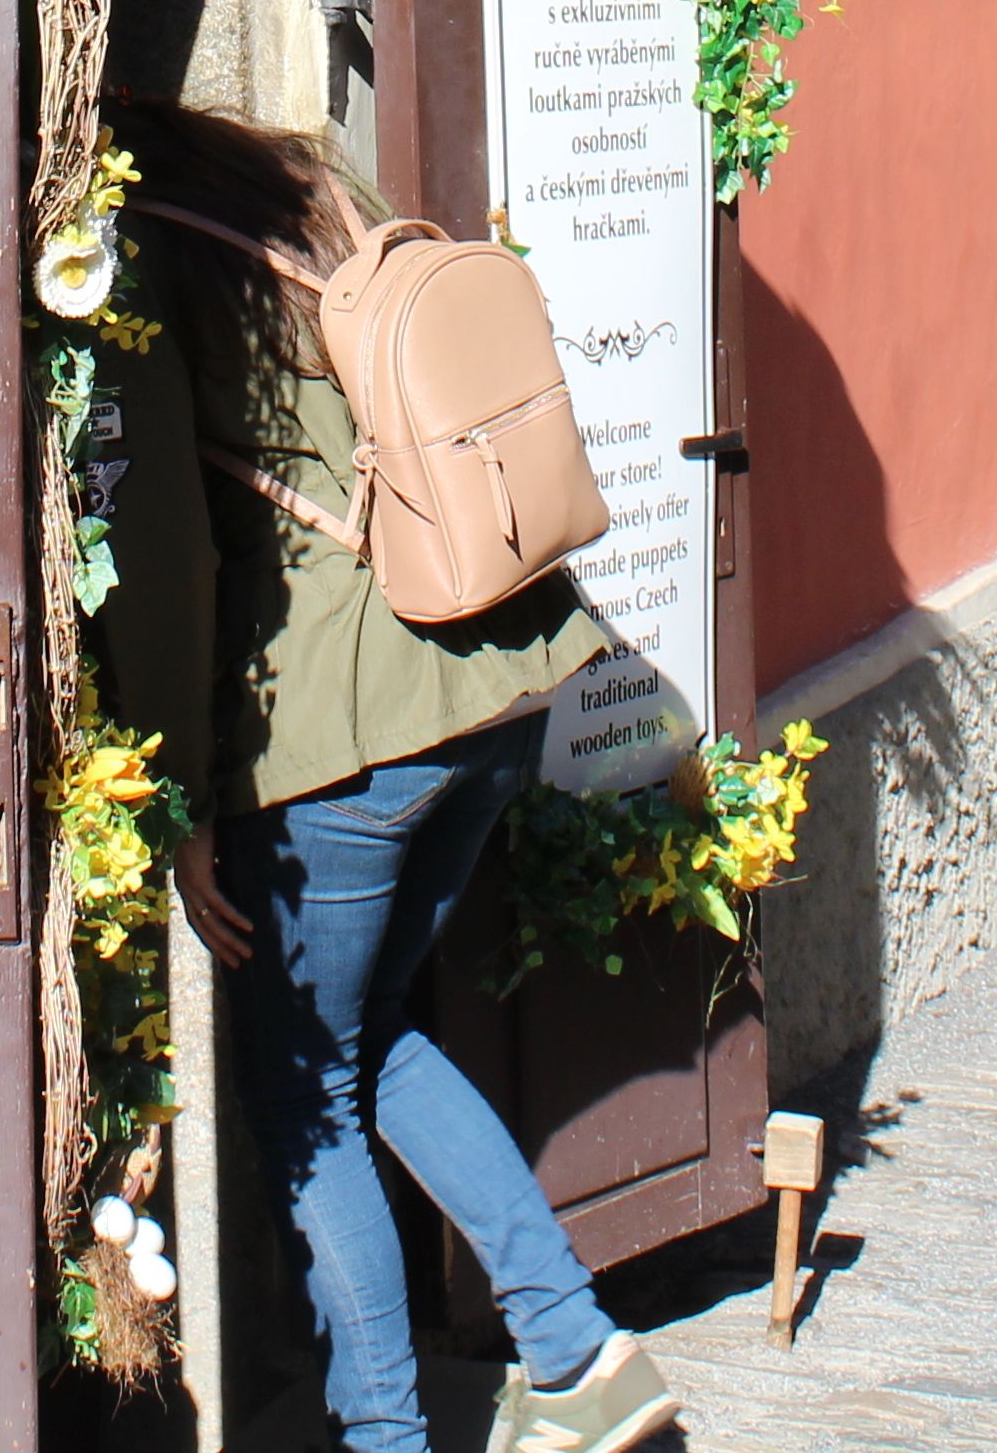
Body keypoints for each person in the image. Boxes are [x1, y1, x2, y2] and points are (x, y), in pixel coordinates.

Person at [100, 105, 681, 1453]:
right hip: (496, 669)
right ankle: (579, 1356)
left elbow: (170, 554)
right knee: (369, 1042)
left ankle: (383, 1433)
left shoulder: (136, 255)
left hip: (339, 732)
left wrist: (180, 793)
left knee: (304, 1087)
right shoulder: (316, 183)